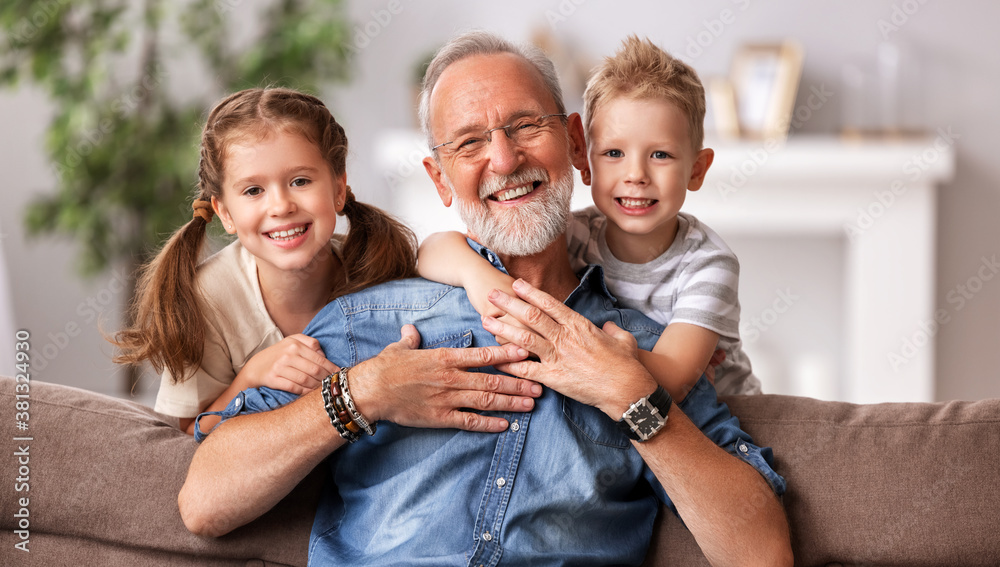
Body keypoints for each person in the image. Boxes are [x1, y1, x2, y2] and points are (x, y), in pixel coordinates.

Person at [179, 32, 793, 566]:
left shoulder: (640, 347)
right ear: (439, 179)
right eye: (469, 142)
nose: (504, 158)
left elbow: (762, 553)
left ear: (575, 143)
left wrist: (629, 395)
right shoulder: (367, 318)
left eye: (526, 126)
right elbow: (204, 502)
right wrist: (365, 392)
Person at [417, 35, 759, 402]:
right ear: (584, 157)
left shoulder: (708, 266)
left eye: (660, 155)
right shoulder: (579, 232)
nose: (636, 175)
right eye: (614, 152)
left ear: (697, 170)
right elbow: (432, 250)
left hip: (730, 412)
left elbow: (674, 382)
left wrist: (566, 347)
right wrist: (478, 277)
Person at [113, 87, 422, 435]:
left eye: (300, 181)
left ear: (338, 189)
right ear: (225, 213)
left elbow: (442, 257)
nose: (281, 206)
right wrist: (250, 377)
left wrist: (476, 272)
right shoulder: (209, 297)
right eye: (253, 191)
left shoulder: (374, 263)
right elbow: (188, 432)